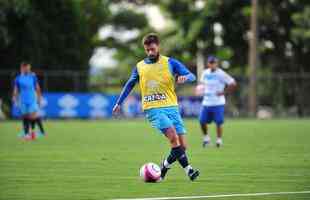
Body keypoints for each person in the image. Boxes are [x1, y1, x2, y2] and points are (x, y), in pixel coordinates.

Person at [113, 33, 200, 181]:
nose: (150, 52)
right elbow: (130, 84)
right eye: (147, 50)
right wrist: (118, 102)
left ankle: (163, 168)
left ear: (158, 46)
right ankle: (189, 170)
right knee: (173, 137)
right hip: (153, 108)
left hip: (172, 107)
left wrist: (185, 77)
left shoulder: (170, 63)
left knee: (182, 147)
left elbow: (192, 76)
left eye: (152, 49)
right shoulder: (140, 66)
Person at [198, 56, 236, 148]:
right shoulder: (205, 73)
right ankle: (206, 138)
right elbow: (202, 84)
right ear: (208, 64)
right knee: (202, 121)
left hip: (218, 102)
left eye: (214, 63)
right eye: (210, 63)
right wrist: (200, 90)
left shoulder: (221, 74)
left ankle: (219, 140)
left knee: (219, 122)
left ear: (216, 63)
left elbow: (233, 83)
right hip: (206, 102)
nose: (212, 64)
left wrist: (224, 92)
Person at [12, 62, 45, 140]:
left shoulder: (33, 77)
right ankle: (27, 134)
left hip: (32, 99)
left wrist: (39, 98)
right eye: (26, 68)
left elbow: (37, 88)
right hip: (23, 100)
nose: (28, 69)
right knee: (25, 116)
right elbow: (16, 89)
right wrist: (14, 97)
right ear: (22, 68)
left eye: (29, 68)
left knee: (33, 116)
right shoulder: (18, 78)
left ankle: (39, 131)